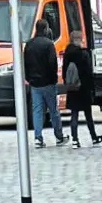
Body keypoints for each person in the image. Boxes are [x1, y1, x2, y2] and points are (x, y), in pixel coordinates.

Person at [25, 19, 66, 147]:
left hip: (35, 83)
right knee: (53, 110)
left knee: (37, 110)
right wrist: (53, 78)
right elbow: (52, 63)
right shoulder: (49, 44)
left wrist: (29, 78)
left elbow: (25, 63)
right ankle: (59, 136)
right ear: (46, 28)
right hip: (48, 82)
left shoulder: (29, 44)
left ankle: (38, 138)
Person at [63, 30, 102, 147]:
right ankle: (94, 137)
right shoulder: (83, 54)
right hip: (83, 88)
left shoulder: (67, 53)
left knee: (74, 114)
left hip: (72, 88)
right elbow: (88, 73)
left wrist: (67, 83)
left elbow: (65, 71)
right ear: (79, 40)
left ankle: (75, 140)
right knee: (88, 115)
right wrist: (91, 88)